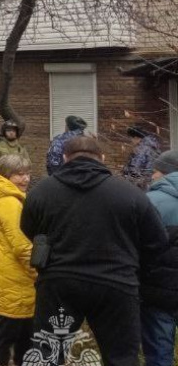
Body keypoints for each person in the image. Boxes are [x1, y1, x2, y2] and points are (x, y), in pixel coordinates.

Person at [21, 135, 168, 366]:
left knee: (47, 355)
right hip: (117, 284)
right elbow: (156, 241)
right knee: (121, 358)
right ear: (102, 158)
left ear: (64, 158)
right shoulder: (130, 194)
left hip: (59, 283)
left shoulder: (42, 192)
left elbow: (29, 229)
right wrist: (134, 267)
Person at [0, 154, 37, 365]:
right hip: (16, 275)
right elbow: (22, 246)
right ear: (5, 176)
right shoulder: (9, 203)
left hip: (5, 271)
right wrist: (38, 272)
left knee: (18, 331)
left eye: (28, 173)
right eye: (19, 174)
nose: (26, 179)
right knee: (11, 333)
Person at [142, 150, 178, 366]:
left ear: (164, 173)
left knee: (159, 353)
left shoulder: (149, 201)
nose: (152, 176)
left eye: (154, 171)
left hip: (156, 291)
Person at [125, 123, 164, 189]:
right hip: (143, 184)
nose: (131, 141)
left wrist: (133, 182)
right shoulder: (147, 147)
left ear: (136, 137)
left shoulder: (145, 150)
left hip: (142, 186)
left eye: (131, 138)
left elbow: (140, 169)